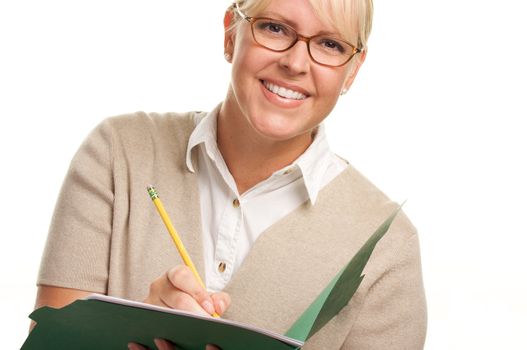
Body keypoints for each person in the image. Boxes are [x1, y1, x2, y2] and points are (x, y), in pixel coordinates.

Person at [32, 0, 427, 349]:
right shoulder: (118, 152)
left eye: (330, 44)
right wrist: (122, 334)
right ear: (230, 33)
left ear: (353, 71)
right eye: (274, 28)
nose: (294, 62)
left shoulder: (388, 247)